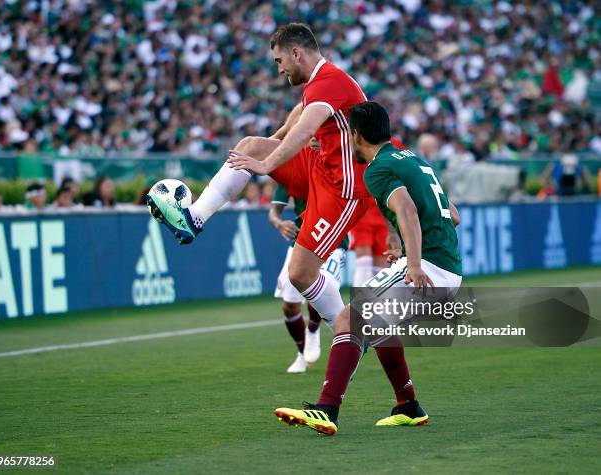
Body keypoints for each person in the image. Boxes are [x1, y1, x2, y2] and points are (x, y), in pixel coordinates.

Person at [148, 23, 371, 327]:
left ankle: (345, 328)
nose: (279, 69)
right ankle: (193, 219)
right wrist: (269, 148)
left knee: (300, 274)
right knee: (250, 146)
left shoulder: (328, 82)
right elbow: (297, 127)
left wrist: (267, 166)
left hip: (342, 189)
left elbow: (304, 130)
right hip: (319, 169)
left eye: (279, 61)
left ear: (296, 53)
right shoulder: (319, 83)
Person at [274, 101, 462, 435]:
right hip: (445, 266)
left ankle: (327, 409)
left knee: (349, 317)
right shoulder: (414, 160)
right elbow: (453, 216)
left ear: (356, 136)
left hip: (429, 268)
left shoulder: (377, 169)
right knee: (377, 327)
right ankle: (409, 406)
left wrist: (415, 262)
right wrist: (407, 252)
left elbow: (406, 211)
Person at [270, 182, 347, 373]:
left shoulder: (337, 165)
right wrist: (279, 223)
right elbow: (274, 213)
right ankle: (301, 353)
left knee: (317, 288)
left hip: (333, 238)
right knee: (289, 306)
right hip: (301, 240)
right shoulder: (293, 167)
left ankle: (313, 330)